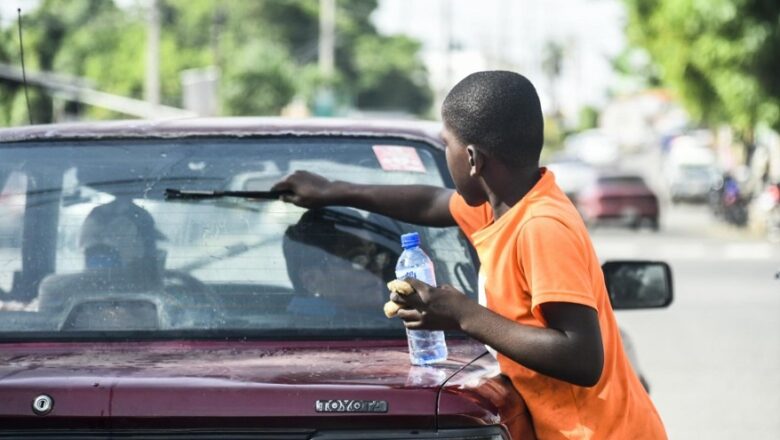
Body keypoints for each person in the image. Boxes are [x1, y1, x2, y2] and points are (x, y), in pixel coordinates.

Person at [272, 71, 666, 439]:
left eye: (448, 145)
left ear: (474, 159)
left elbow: (582, 358)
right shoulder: (502, 205)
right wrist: (335, 191)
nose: (447, 155)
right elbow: (431, 202)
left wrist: (464, 315)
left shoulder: (541, 226)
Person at [282, 208, 399, 320]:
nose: (376, 268)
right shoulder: (317, 332)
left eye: (377, 257)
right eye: (358, 261)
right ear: (311, 279)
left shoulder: (375, 320)